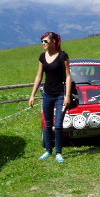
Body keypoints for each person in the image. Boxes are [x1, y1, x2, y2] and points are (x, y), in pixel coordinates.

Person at [29, 32, 72, 163]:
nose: (43, 43)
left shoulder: (63, 56)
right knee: (47, 125)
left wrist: (67, 96)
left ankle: (59, 152)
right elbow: (39, 76)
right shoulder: (42, 57)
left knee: (58, 125)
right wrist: (32, 95)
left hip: (60, 94)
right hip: (47, 94)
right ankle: (48, 151)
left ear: (53, 42)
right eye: (42, 40)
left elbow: (68, 76)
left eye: (45, 41)